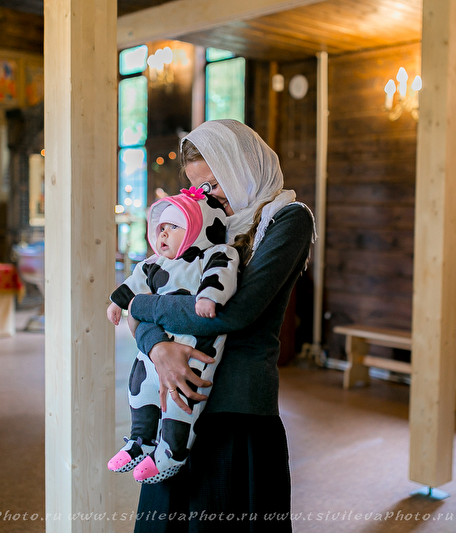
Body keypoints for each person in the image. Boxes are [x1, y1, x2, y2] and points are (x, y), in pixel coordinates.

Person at [126, 119, 315, 532]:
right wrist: (157, 349)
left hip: (236, 410)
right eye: (199, 188)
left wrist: (141, 306)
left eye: (213, 184)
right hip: (178, 403)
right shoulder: (198, 221)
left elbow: (235, 312)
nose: (207, 196)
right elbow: (153, 285)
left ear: (240, 166)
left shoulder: (288, 219)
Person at [107, 189, 242, 484]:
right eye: (161, 228)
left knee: (179, 399)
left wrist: (208, 297)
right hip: (156, 344)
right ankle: (140, 440)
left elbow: (220, 275)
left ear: (198, 228)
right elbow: (135, 282)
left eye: (174, 226)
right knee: (140, 387)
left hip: (194, 346)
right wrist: (118, 302)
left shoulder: (216, 254)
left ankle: (172, 452)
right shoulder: (155, 262)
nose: (163, 234)